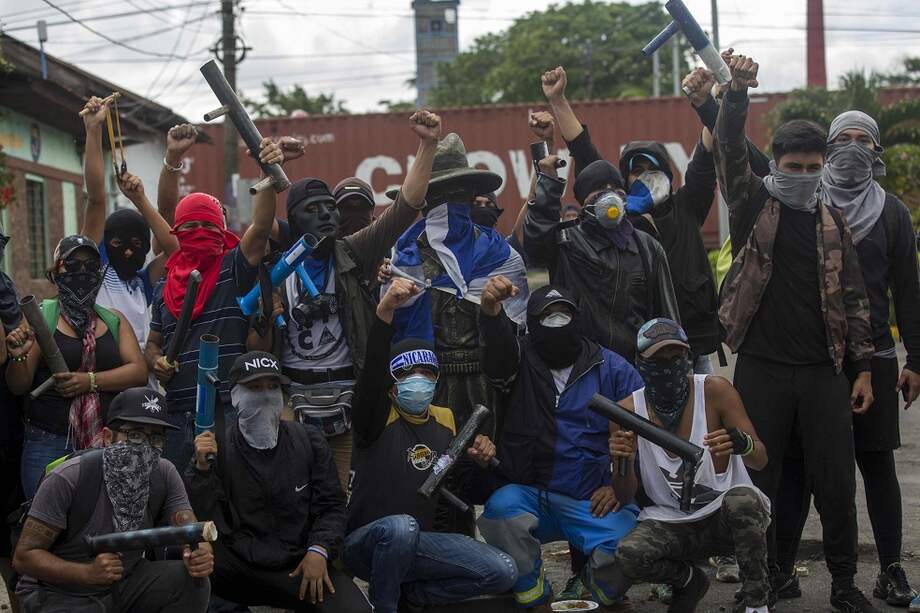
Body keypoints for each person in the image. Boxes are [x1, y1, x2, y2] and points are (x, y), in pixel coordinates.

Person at [714, 53, 878, 613]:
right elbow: (731, 152)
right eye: (794, 167)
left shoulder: (834, 223)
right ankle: (766, 583)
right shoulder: (753, 203)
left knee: (836, 484)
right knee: (760, 483)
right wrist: (735, 96)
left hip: (824, 374)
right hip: (760, 368)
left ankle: (843, 584)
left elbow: (856, 303)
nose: (803, 178)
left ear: (824, 166)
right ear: (777, 164)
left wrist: (861, 370)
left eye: (813, 168)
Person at [774, 110, 920, 608]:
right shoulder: (802, 202)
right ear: (828, 148)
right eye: (844, 139)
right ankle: (781, 570)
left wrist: (915, 358)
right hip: (814, 362)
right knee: (796, 467)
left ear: (876, 151)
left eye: (864, 140)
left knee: (876, 464)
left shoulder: (892, 212)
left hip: (874, 355)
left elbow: (908, 291)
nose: (854, 147)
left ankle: (892, 571)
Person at [255, 111, 438, 493]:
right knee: (290, 493)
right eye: (312, 209)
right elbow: (259, 226)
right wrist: (271, 169)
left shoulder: (353, 252)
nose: (325, 215)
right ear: (293, 220)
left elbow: (405, 207)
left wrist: (427, 144)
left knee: (339, 500)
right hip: (293, 397)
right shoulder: (277, 266)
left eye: (329, 208)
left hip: (346, 398)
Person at [382, 131, 530, 535]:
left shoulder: (499, 255)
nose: (451, 207)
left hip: (483, 384)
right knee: (431, 477)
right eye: (439, 197)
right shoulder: (405, 256)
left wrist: (493, 312)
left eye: (460, 195)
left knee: (487, 473)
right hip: (430, 382)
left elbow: (515, 337)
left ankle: (494, 568)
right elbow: (391, 328)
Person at [342, 278, 517, 613]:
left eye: (427, 371)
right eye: (408, 372)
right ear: (392, 383)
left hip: (419, 543)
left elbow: (458, 484)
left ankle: (415, 601)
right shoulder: (375, 416)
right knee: (401, 526)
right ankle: (385, 607)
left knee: (502, 570)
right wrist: (385, 313)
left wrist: (481, 458)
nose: (418, 379)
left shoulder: (445, 418)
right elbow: (372, 372)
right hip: (367, 543)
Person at [476, 280, 644, 612]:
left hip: (590, 496)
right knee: (499, 511)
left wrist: (618, 484)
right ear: (532, 325)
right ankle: (534, 594)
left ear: (578, 321)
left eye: (564, 316)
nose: (556, 324)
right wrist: (491, 312)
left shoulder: (611, 367)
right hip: (533, 492)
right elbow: (496, 352)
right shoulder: (519, 358)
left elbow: (645, 433)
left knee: (633, 545)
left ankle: (592, 592)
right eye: (547, 318)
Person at [541, 65, 721, 374]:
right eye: (636, 171)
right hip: (642, 350)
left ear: (668, 173)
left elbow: (708, 150)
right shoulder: (617, 221)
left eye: (652, 169)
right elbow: (585, 153)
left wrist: (714, 99)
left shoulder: (688, 204)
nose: (645, 177)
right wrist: (558, 100)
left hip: (694, 343)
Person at [185, 351, 371, 612]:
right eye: (254, 387)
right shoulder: (219, 449)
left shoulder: (309, 440)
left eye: (272, 387)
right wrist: (202, 469)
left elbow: (332, 506)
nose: (264, 395)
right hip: (239, 566)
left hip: (299, 565)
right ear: (235, 395)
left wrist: (319, 549)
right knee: (186, 569)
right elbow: (200, 517)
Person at [608, 318, 771, 613]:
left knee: (744, 500)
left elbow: (760, 459)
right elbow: (623, 495)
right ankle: (689, 581)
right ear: (640, 363)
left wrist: (742, 443)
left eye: (677, 358)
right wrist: (623, 460)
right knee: (630, 554)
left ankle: (756, 603)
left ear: (688, 357)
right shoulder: (627, 412)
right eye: (658, 360)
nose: (669, 367)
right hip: (672, 523)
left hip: (723, 519)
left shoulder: (715, 391)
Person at [145, 138, 287, 471]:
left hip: (229, 410)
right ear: (177, 232)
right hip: (178, 414)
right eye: (190, 226)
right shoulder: (163, 285)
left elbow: (262, 227)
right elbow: (152, 344)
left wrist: (266, 174)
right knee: (184, 500)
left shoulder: (232, 267)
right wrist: (156, 362)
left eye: (209, 225)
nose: (199, 232)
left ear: (222, 231)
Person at [12, 387, 213, 612]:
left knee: (191, 581)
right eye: (135, 434)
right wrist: (87, 573)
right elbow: (24, 558)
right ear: (108, 437)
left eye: (155, 437)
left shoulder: (164, 472)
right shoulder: (69, 477)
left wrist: (200, 551)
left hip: (125, 583)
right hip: (62, 593)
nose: (144, 447)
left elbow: (187, 526)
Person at [6, 236, 148, 498]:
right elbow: (19, 385)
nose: (82, 272)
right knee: (45, 523)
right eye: (72, 265)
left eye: (90, 265)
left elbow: (138, 372)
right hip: (48, 442)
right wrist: (16, 357)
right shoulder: (41, 317)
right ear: (56, 271)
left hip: (105, 440)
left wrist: (90, 381)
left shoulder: (114, 320)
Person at [523, 136, 679, 363]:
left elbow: (667, 315)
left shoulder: (647, 247)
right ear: (584, 202)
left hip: (634, 368)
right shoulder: (566, 242)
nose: (609, 193)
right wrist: (547, 183)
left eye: (615, 187)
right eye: (598, 189)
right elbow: (535, 241)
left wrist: (676, 365)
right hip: (581, 366)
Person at [80, 98, 185, 351]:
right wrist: (93, 130)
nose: (127, 252)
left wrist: (140, 200)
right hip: (103, 374)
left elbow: (177, 251)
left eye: (137, 244)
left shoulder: (143, 284)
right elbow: (96, 201)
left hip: (142, 381)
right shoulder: (98, 270)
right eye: (117, 243)